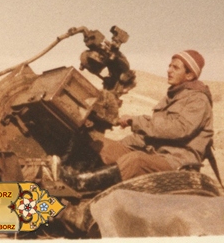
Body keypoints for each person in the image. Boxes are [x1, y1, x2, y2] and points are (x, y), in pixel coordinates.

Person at [61, 49, 214, 192]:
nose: (169, 70)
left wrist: (136, 121)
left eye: (175, 67)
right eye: (169, 66)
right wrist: (122, 145)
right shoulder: (173, 96)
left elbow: (178, 129)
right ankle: (66, 176)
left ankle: (78, 184)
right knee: (101, 145)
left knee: (136, 161)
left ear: (189, 75)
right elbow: (153, 135)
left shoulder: (198, 100)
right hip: (153, 154)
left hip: (176, 161)